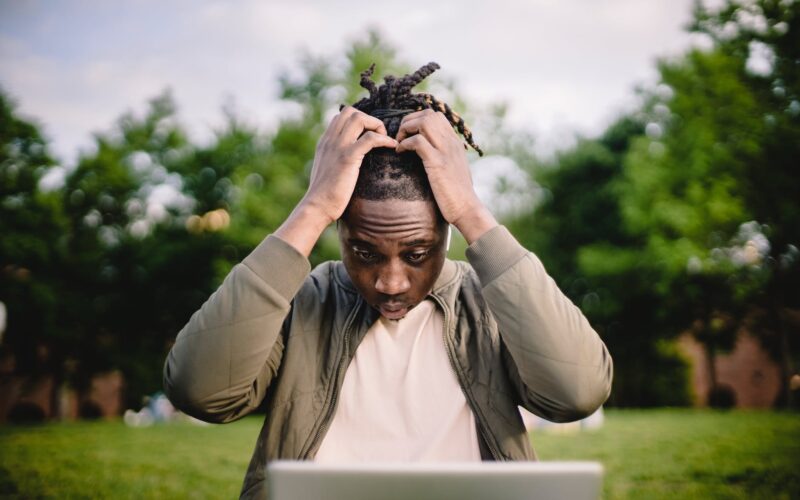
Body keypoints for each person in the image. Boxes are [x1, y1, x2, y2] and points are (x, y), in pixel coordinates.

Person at [163, 62, 613, 499]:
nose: (391, 282)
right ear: (339, 231)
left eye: (416, 254)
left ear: (446, 232)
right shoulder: (300, 301)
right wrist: (312, 208)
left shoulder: (493, 304)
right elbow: (200, 392)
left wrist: (473, 211)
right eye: (365, 252)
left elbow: (577, 393)